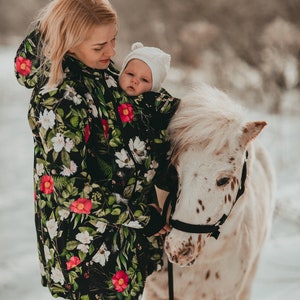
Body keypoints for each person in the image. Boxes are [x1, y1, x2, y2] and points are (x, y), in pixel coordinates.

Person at [14, 0, 179, 299]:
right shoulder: (60, 99)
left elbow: (130, 113)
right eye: (100, 45)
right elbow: (71, 190)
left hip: (121, 242)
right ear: (70, 42)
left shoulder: (97, 71)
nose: (112, 51)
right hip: (89, 254)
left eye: (114, 39)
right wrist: (143, 217)